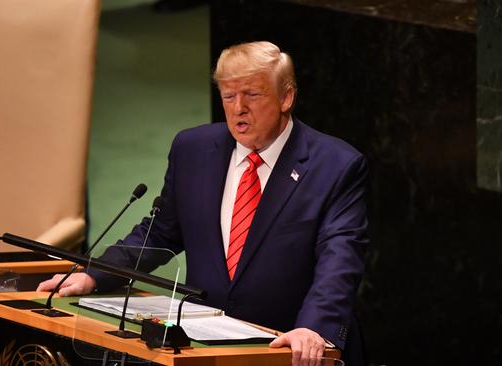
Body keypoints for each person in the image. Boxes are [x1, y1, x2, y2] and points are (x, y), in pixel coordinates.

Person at [38, 41, 368, 366]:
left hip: (285, 346)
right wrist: (96, 274)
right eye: (228, 95)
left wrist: (313, 327)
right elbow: (160, 233)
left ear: (286, 97)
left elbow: (339, 260)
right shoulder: (193, 149)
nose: (238, 107)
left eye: (252, 94)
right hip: (205, 348)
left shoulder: (335, 165)